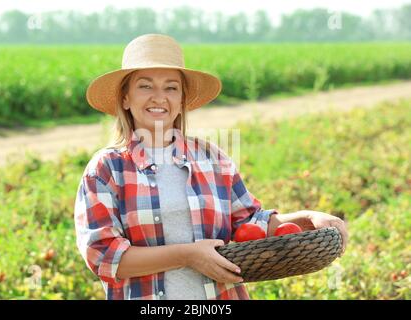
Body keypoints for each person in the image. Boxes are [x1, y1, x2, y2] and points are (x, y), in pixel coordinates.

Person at [74, 33, 348, 300]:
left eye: (171, 87)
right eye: (145, 86)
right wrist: (188, 255)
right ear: (125, 98)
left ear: (182, 101)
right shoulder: (106, 169)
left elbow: (249, 223)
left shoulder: (211, 158)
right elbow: (104, 256)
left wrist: (305, 218)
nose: (159, 97)